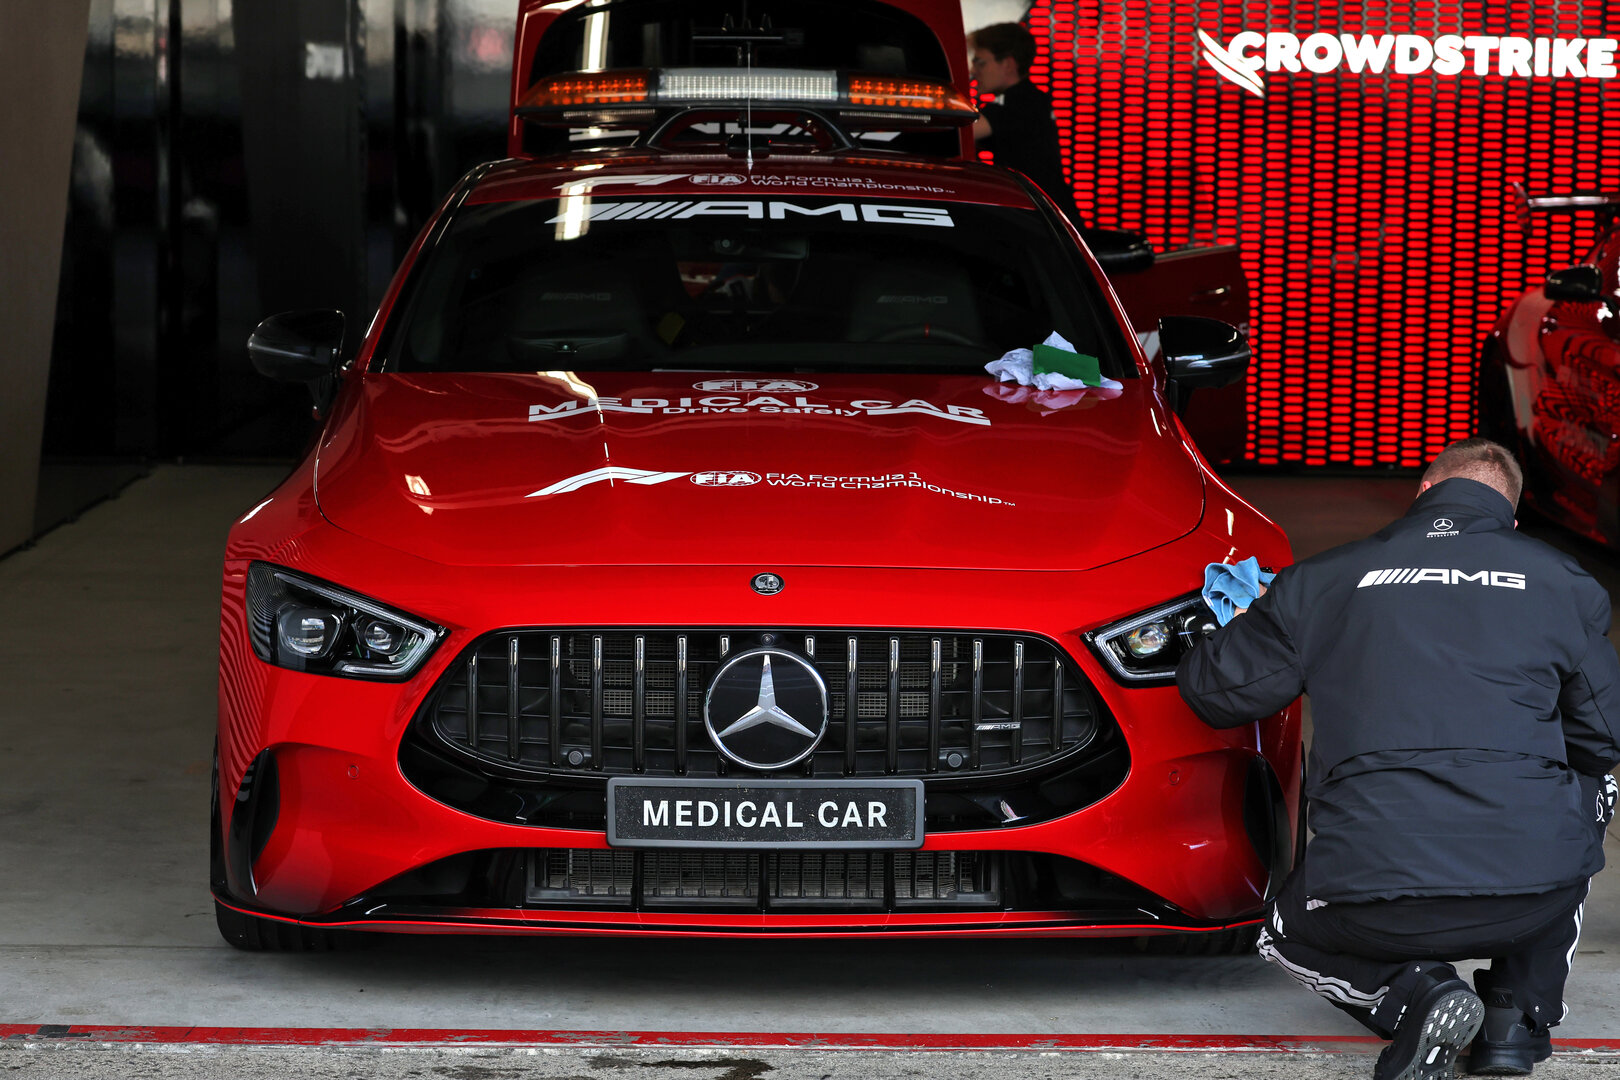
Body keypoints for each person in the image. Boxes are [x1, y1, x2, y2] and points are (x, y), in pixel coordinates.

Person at [1177, 438, 1620, 1080]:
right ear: (1512, 518)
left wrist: (1225, 624)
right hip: (1528, 901)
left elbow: (1216, 694)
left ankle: (1420, 995)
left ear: (1423, 493)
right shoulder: (1566, 584)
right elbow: (1602, 738)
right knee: (1593, 783)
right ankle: (1515, 1021)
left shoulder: (1324, 580)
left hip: (1369, 904)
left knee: (1279, 932)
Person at [967, 23, 1081, 226]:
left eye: (980, 63)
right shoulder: (1030, 99)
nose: (973, 70)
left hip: (1045, 223)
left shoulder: (1018, 100)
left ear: (1008, 64)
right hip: (1048, 217)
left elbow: (963, 131)